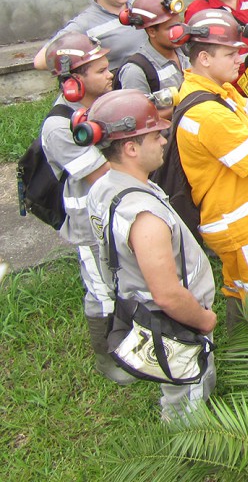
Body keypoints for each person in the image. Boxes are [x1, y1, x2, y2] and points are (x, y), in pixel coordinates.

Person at [83, 89, 217, 419]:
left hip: (143, 307)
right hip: (176, 320)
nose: (163, 140)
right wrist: (203, 319)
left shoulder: (104, 184)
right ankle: (191, 450)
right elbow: (169, 295)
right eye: (155, 135)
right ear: (130, 148)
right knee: (187, 387)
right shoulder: (144, 219)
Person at [173, 8, 248, 325]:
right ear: (204, 58)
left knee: (241, 289)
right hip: (246, 226)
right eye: (230, 54)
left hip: (244, 223)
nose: (240, 60)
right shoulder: (210, 114)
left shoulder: (218, 91)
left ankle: (242, 344)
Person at [39, 33, 127, 384]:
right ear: (74, 81)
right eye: (101, 70)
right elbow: (103, 175)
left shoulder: (102, 105)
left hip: (115, 212)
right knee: (101, 289)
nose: (110, 74)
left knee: (121, 280)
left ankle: (128, 338)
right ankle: (106, 357)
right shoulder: (60, 126)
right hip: (87, 222)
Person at [115, 0, 191, 98]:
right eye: (170, 28)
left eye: (179, 25)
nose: (179, 32)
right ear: (152, 32)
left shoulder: (187, 51)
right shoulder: (135, 71)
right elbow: (138, 112)